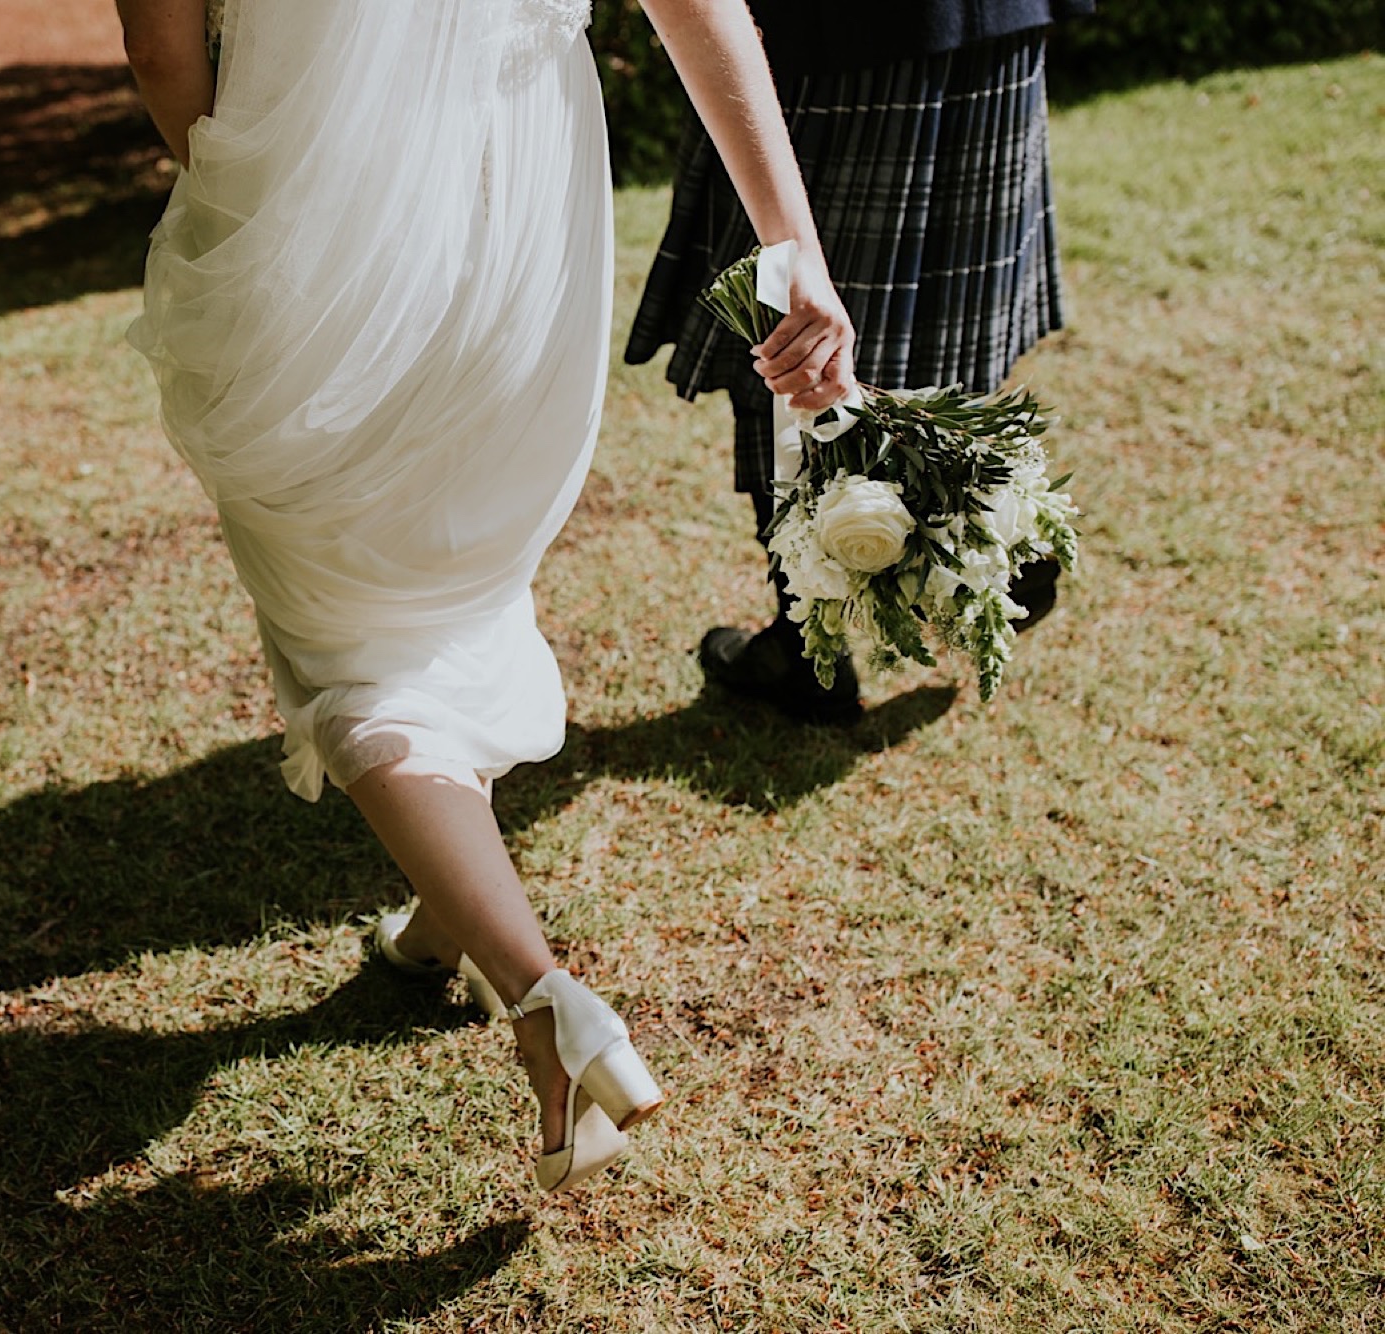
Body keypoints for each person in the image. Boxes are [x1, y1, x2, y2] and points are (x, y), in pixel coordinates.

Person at [116, 0, 856, 1192]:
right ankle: (437, 915)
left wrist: (241, 189)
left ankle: (538, 994)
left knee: (350, 644)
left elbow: (160, 53)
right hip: (524, 199)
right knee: (453, 576)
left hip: (312, 195)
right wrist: (791, 244)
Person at [627, 0, 1091, 724]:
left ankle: (806, 648)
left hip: (834, 43)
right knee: (950, 317)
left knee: (790, 337)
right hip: (1002, 25)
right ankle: (1001, 540)